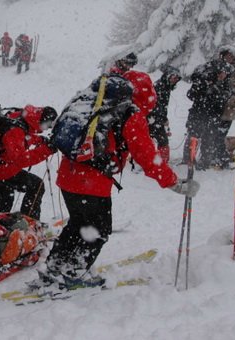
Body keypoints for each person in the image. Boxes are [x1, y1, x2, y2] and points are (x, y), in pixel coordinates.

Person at [39, 74, 199, 288]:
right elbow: (147, 157)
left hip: (68, 175)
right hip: (92, 183)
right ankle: (74, 272)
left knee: (78, 223)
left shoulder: (95, 102)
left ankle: (54, 267)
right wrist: (174, 183)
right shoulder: (129, 113)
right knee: (98, 230)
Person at [0, 103, 57, 220]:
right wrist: (46, 150)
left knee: (4, 203)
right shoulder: (16, 129)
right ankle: (28, 223)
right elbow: (20, 159)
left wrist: (40, 140)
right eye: (47, 126)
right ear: (42, 120)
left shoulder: (22, 117)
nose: (46, 129)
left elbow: (23, 138)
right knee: (36, 186)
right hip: (1, 170)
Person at [184, 58, 233, 169]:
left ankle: (204, 163)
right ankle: (188, 160)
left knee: (208, 139)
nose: (222, 75)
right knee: (193, 137)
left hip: (213, 117)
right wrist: (204, 88)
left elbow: (224, 99)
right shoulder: (204, 80)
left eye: (225, 73)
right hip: (198, 114)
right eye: (221, 72)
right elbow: (191, 95)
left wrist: (215, 93)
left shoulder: (226, 85)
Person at [148, 65, 182, 163]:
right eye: (173, 77)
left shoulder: (166, 86)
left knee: (156, 140)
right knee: (161, 141)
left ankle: (160, 161)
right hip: (152, 118)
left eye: (177, 78)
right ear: (168, 75)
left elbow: (162, 107)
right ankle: (161, 162)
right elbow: (155, 105)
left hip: (156, 118)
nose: (175, 80)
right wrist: (160, 119)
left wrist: (164, 119)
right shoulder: (159, 86)